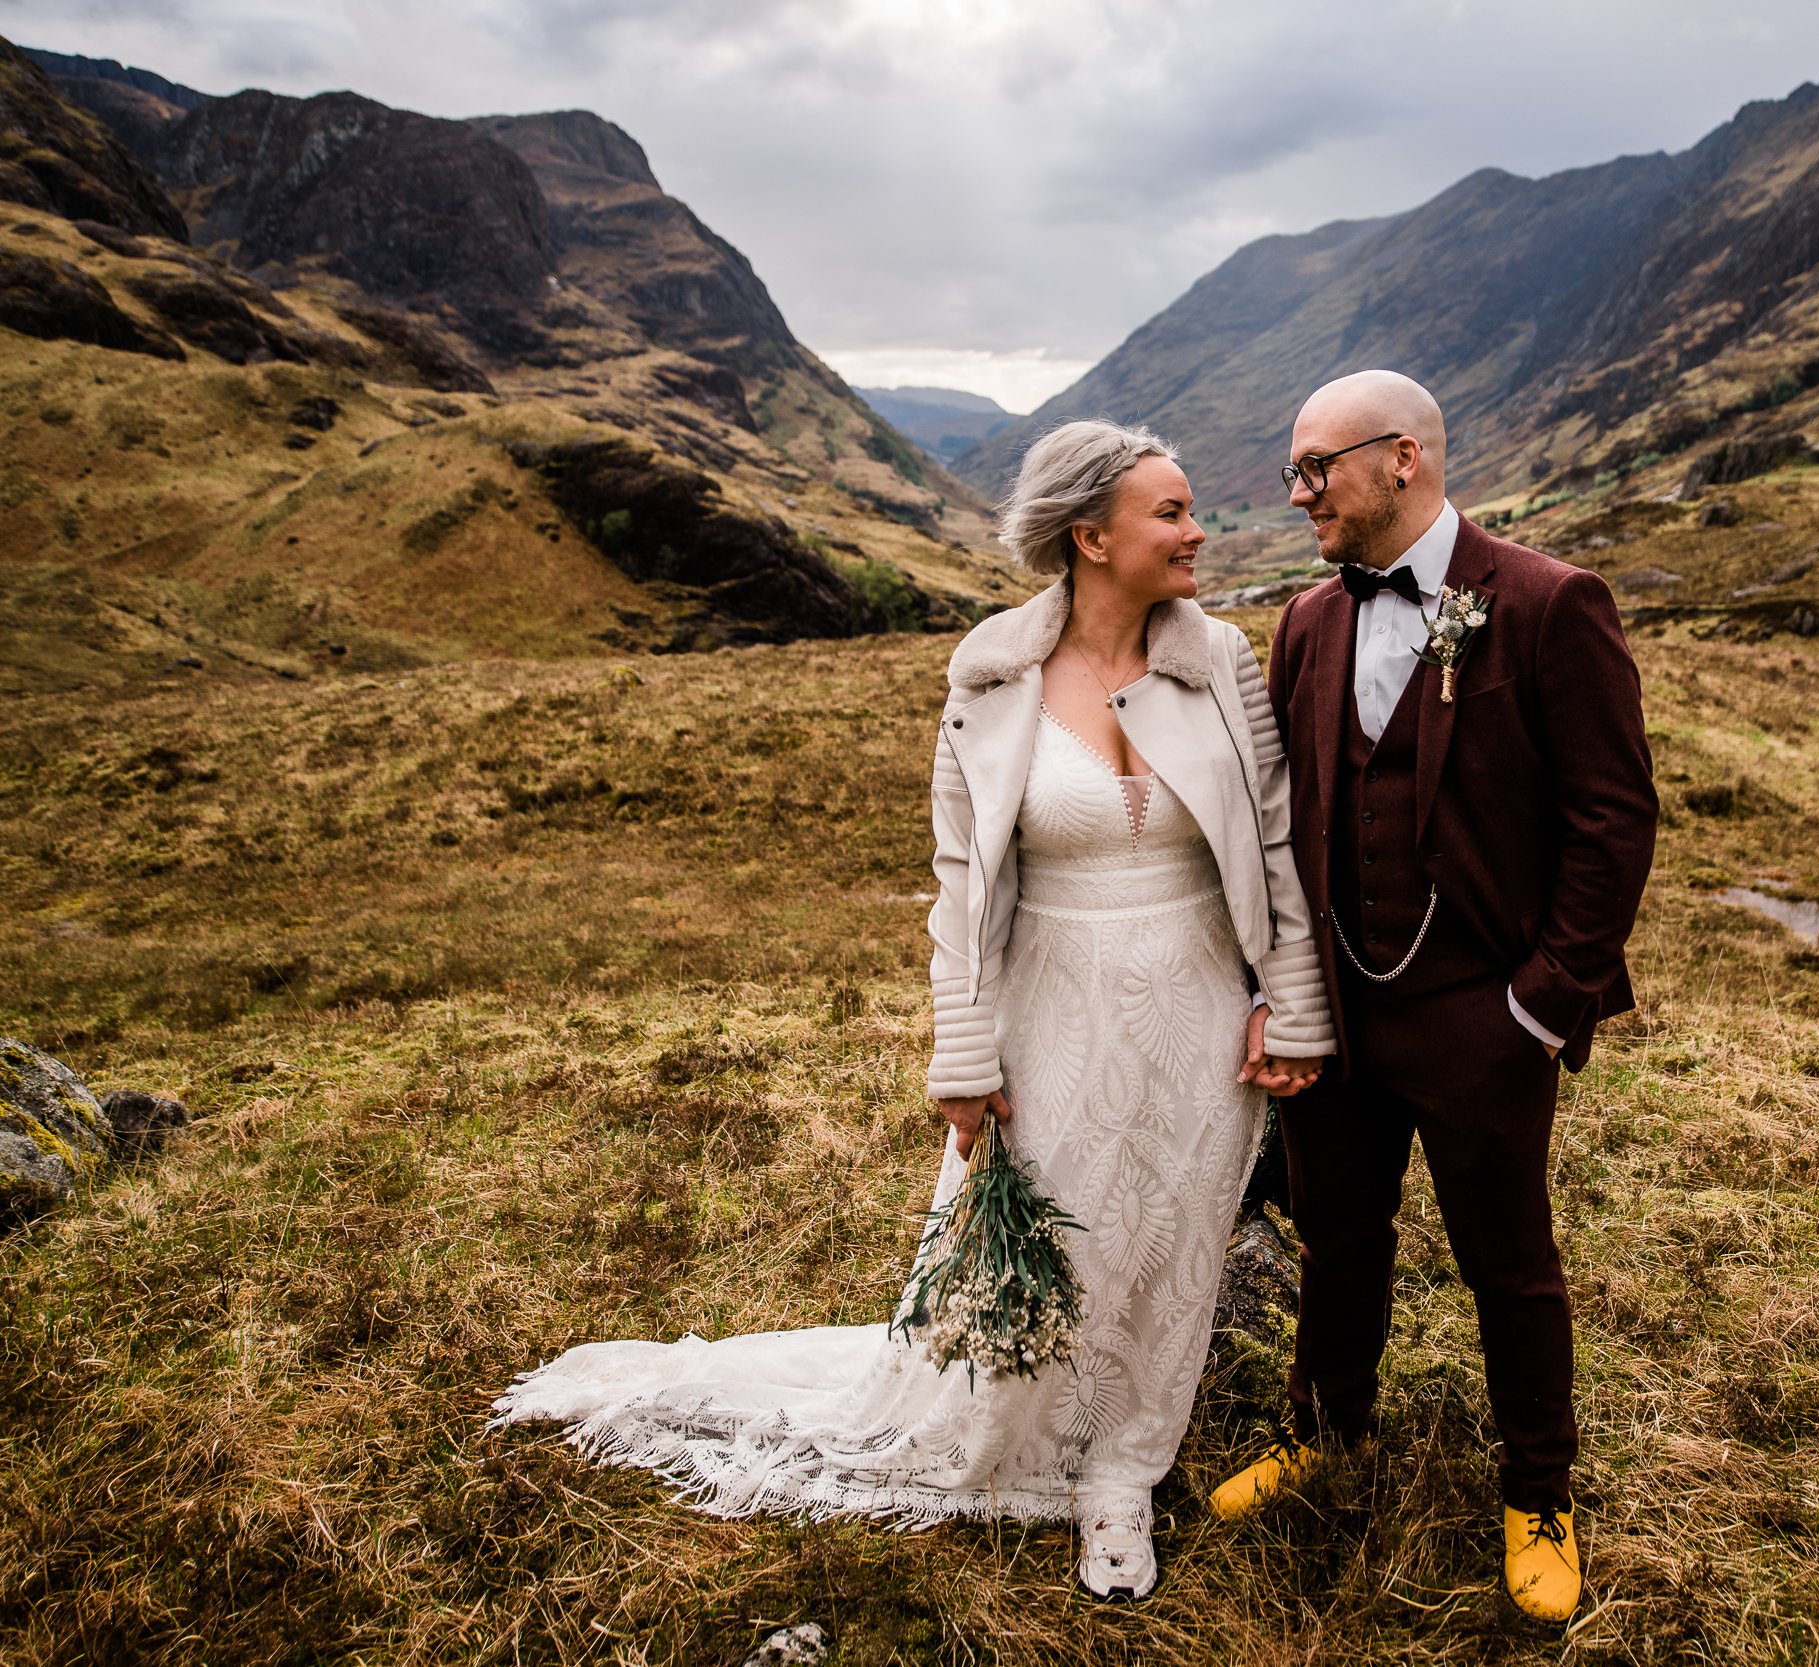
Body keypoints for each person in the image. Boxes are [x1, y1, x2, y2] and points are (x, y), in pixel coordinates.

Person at [493, 419, 1335, 1603]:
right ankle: (1023, 1443)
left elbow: (1281, 839)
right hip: (1053, 1002)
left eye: (1192, 509)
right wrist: (962, 1048)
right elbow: (962, 881)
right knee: (1053, 1238)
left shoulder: (1224, 663)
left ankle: (1122, 1475)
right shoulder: (989, 675)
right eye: (1171, 512)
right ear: (1091, 536)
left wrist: (1287, 1003)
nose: (1198, 531)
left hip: (1201, 1006)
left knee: (1175, 1245)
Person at [1203, 371, 1657, 1624]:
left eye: (1314, 469)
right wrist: (1280, 986)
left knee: (1508, 1264)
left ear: (1402, 458)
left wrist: (1537, 1006)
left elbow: (1612, 822)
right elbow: (1288, 812)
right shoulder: (1303, 621)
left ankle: (1539, 1495)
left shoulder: (1551, 603)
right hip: (1337, 1008)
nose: (1297, 493)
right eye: (1294, 473)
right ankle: (1322, 1431)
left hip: (1480, 1012)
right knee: (1336, 1237)